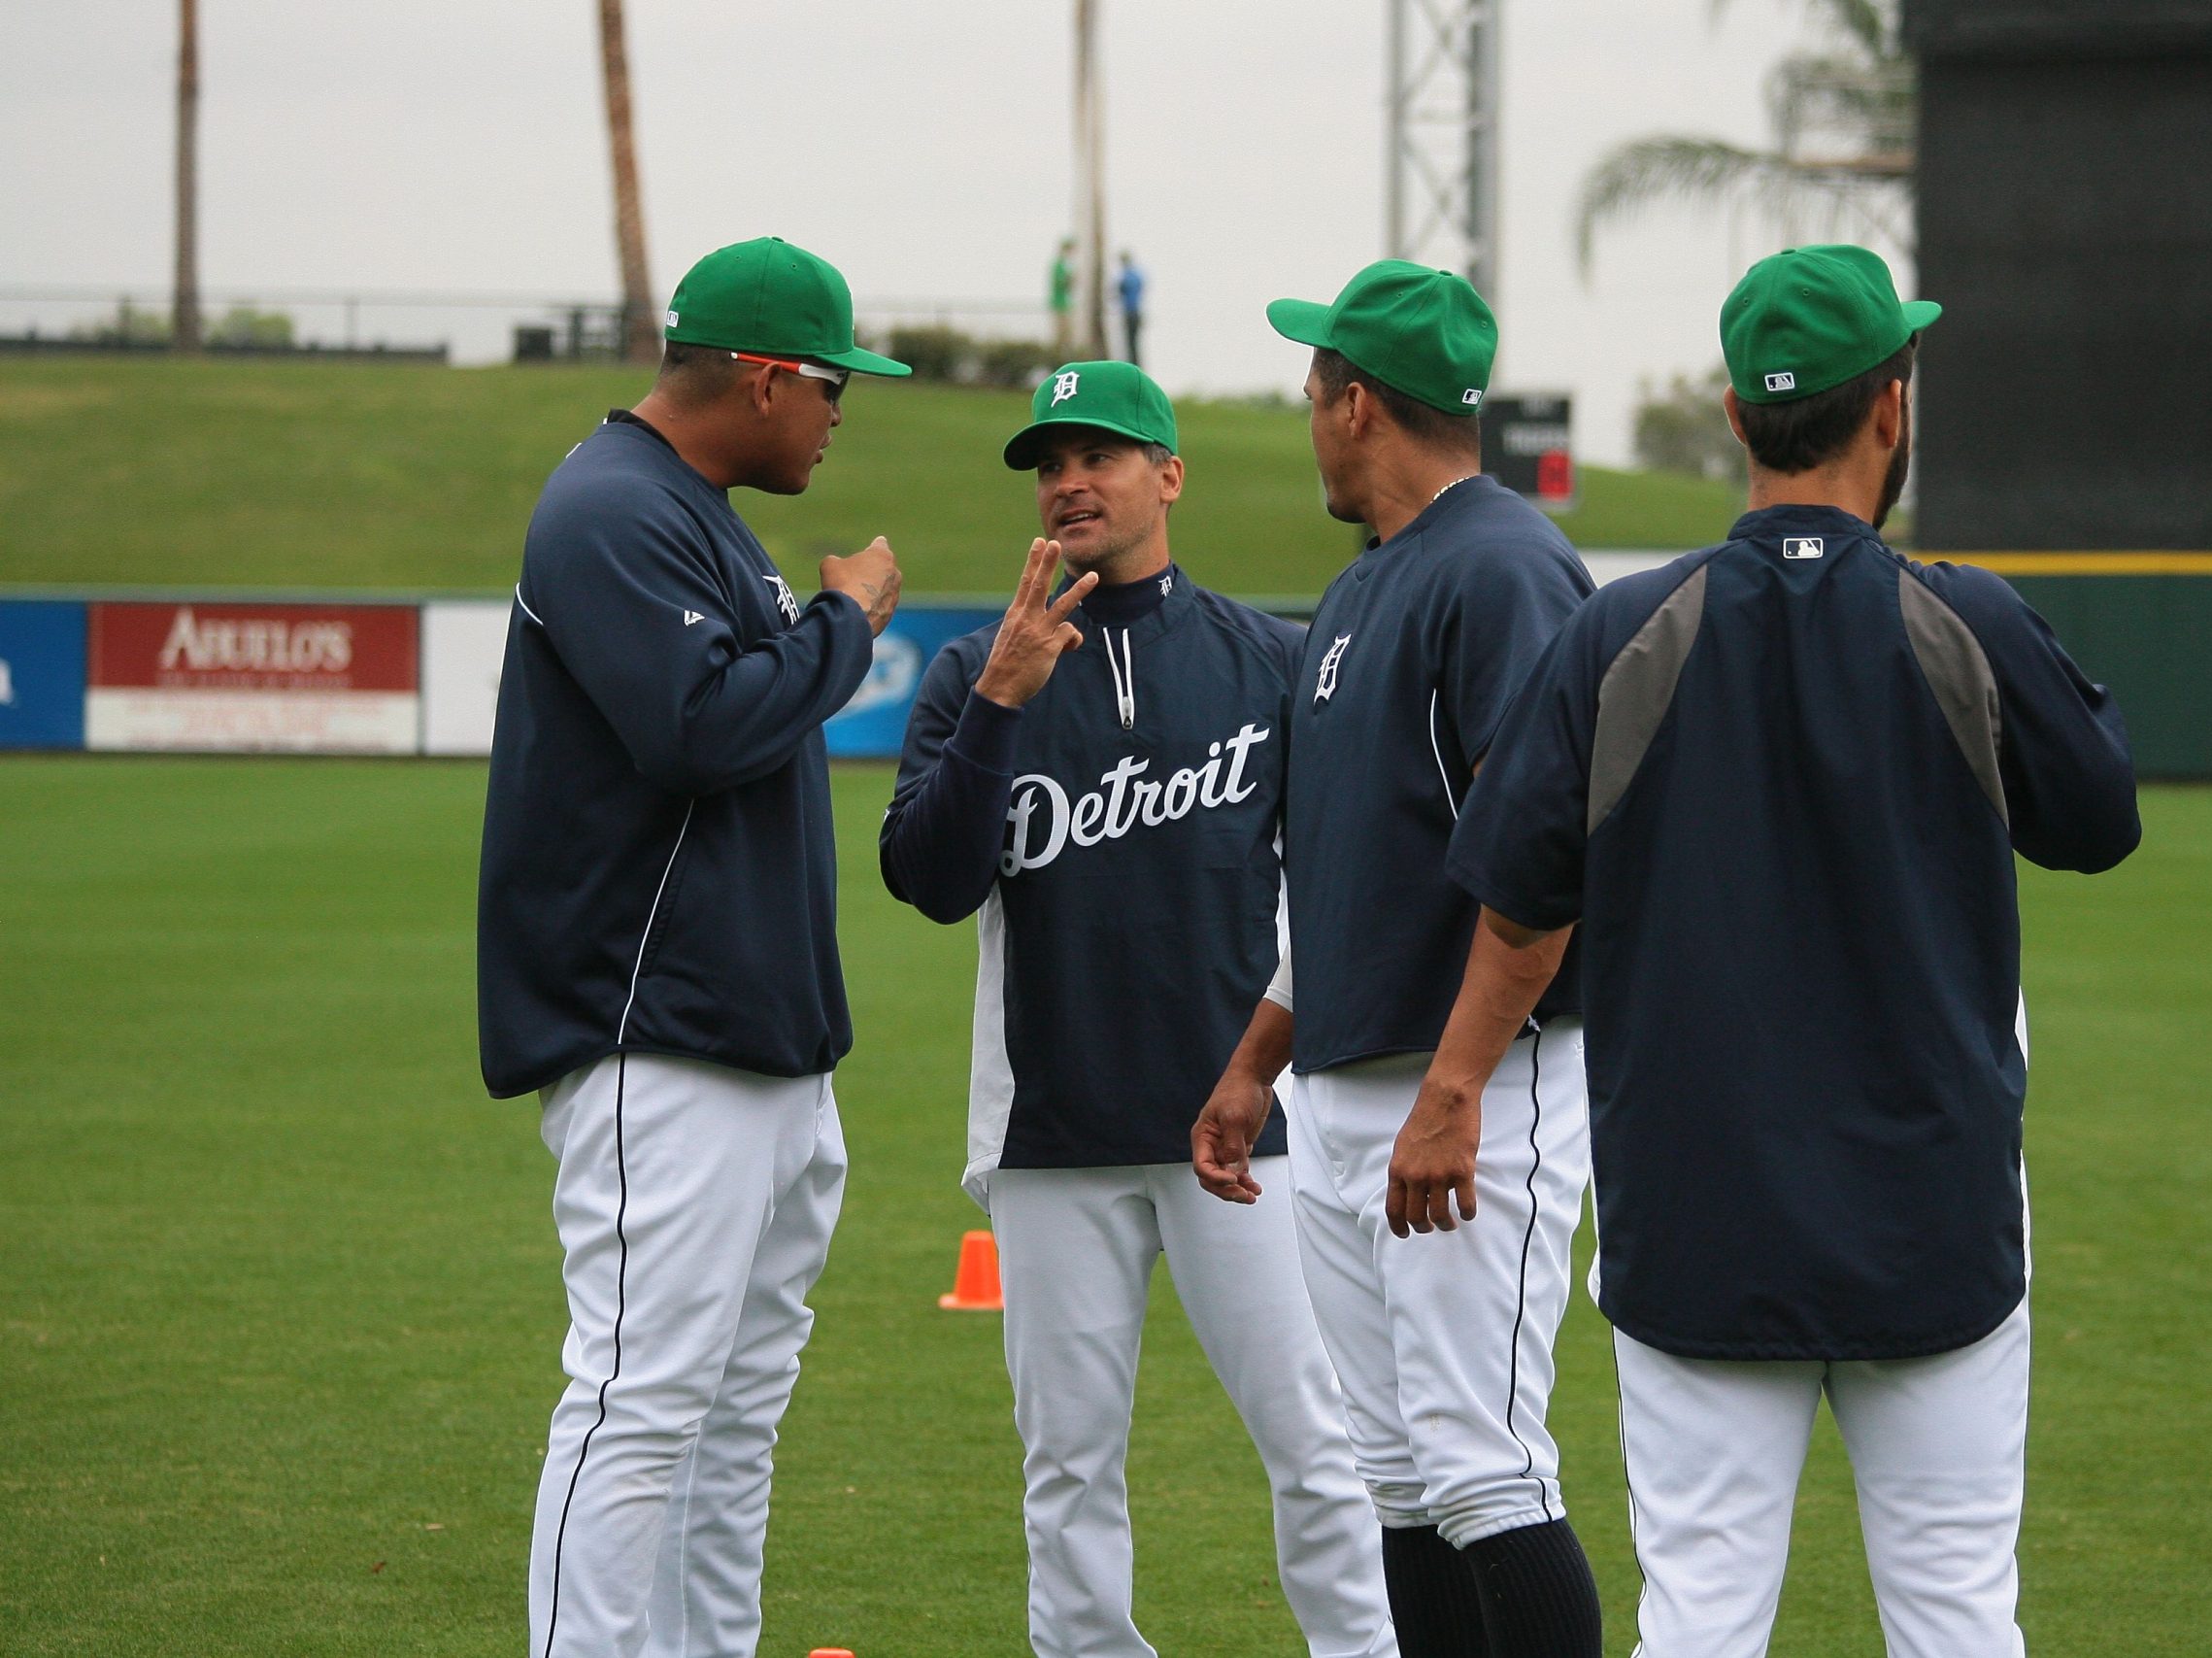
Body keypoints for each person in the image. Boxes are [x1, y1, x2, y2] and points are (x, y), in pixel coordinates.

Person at [1436, 244, 2143, 1657]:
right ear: (1890, 405)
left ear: (1734, 414)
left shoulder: (1618, 632)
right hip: (1929, 1213)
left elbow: (1515, 897)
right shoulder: (1968, 617)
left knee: (1699, 1622)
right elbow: (2099, 821)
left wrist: (1456, 1075)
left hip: (1698, 1212)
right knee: (1955, 1620)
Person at [882, 360, 1396, 1658]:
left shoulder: (1269, 659)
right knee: (1068, 1473)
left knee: (1320, 1443)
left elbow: (1347, 885)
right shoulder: (970, 670)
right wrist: (1001, 696)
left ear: (1168, 473)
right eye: (1050, 460)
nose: (1069, 478)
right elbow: (929, 880)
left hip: (1248, 1131)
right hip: (1052, 1129)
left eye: (1100, 453)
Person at [477, 234, 910, 1658]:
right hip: (653, 1038)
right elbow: (701, 725)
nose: (843, 410)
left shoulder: (691, 505)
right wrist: (843, 619)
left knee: (729, 1416)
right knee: (639, 1397)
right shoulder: (610, 504)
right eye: (834, 383)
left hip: (759, 1046)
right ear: (769, 375)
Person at [1192, 261, 1604, 1658]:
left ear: (1355, 399)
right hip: (1358, 1090)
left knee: (1483, 1461)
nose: (1309, 414)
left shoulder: (1501, 566)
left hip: (1472, 1087)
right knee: (1405, 1479)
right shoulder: (1375, 579)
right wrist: (1259, 1060)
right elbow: (1346, 875)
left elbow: (1550, 857)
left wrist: (1456, 1084)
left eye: (1314, 387)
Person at [1117, 252, 1145, 369]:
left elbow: (1120, 291)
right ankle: (1136, 366)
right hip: (1137, 311)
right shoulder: (1137, 275)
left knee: (1130, 342)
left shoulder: (1126, 276)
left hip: (1129, 312)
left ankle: (1133, 366)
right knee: (1135, 342)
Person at [1051, 239, 1077, 358]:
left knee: (1068, 336)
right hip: (1060, 305)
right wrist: (1073, 278)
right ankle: (1060, 358)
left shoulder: (1066, 264)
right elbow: (1062, 283)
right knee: (1062, 336)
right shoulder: (1059, 265)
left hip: (1066, 304)